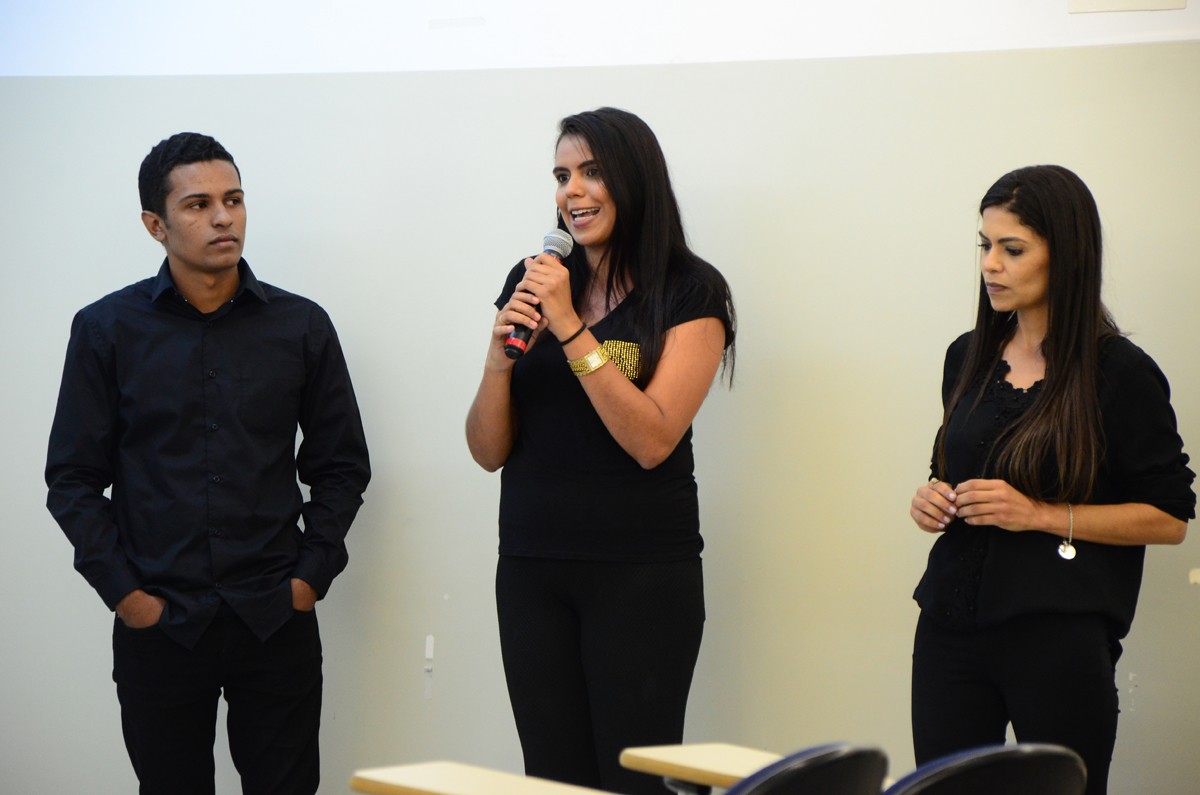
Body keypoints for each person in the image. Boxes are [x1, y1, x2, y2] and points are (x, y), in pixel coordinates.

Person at [45, 132, 371, 795]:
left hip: (274, 616)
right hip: (161, 622)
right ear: (155, 225)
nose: (223, 218)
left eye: (234, 199)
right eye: (198, 205)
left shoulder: (301, 327)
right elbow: (72, 479)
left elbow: (341, 465)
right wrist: (128, 596)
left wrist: (309, 577)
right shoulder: (107, 330)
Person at [465, 107, 735, 794]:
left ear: (634, 179)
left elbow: (652, 440)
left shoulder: (691, 291)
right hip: (532, 570)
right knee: (552, 780)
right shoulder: (533, 278)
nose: (573, 191)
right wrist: (497, 363)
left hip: (641, 576)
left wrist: (569, 326)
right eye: (562, 176)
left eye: (591, 172)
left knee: (633, 780)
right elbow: (487, 451)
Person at [908, 165, 1195, 794]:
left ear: (1065, 255)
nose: (991, 265)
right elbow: (951, 465)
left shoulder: (1119, 372)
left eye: (1012, 249)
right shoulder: (967, 354)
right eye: (985, 245)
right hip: (950, 627)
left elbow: (1170, 517)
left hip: (1057, 640)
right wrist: (932, 498)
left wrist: (1039, 514)